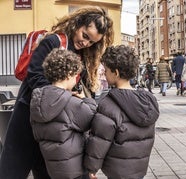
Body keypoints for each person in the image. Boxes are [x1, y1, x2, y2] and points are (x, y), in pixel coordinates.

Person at [0, 6, 114, 179]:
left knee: (46, 171)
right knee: (12, 168)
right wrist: (65, 96)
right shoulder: (53, 41)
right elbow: (34, 76)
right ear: (77, 24)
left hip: (54, 123)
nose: (86, 43)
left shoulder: (84, 54)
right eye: (85, 36)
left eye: (91, 42)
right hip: (28, 115)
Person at [84, 45, 160, 179]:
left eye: (106, 70)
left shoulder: (109, 104)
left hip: (117, 170)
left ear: (116, 72)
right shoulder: (147, 101)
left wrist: (92, 168)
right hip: (139, 168)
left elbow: (100, 141)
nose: (104, 73)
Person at [30, 48, 97, 179]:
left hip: (53, 167)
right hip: (75, 169)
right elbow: (91, 119)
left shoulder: (37, 100)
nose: (76, 79)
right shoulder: (71, 104)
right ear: (69, 75)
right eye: (75, 76)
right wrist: (86, 100)